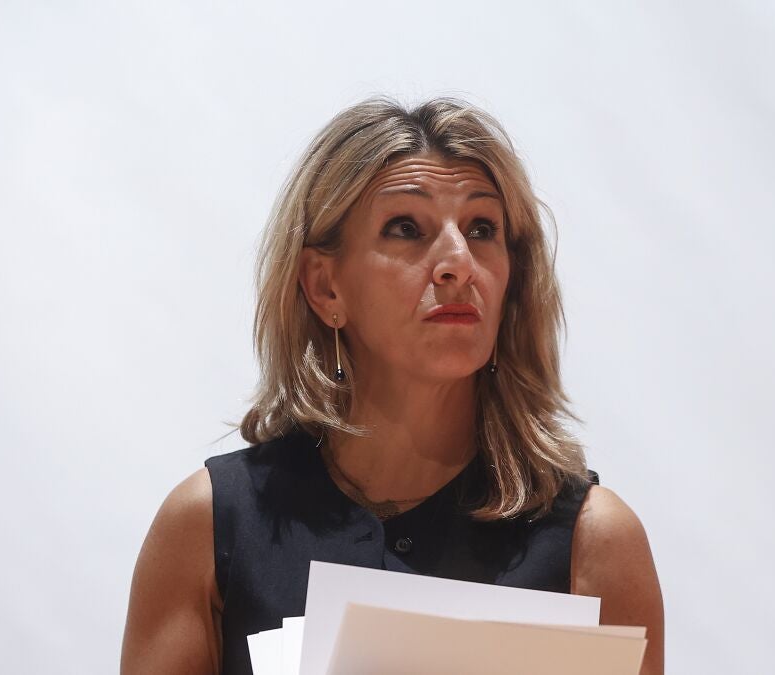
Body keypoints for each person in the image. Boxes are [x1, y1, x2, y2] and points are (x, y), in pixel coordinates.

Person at [120, 97, 665, 675]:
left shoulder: (594, 541)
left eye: (482, 229)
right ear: (325, 286)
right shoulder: (208, 525)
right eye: (406, 228)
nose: (458, 261)